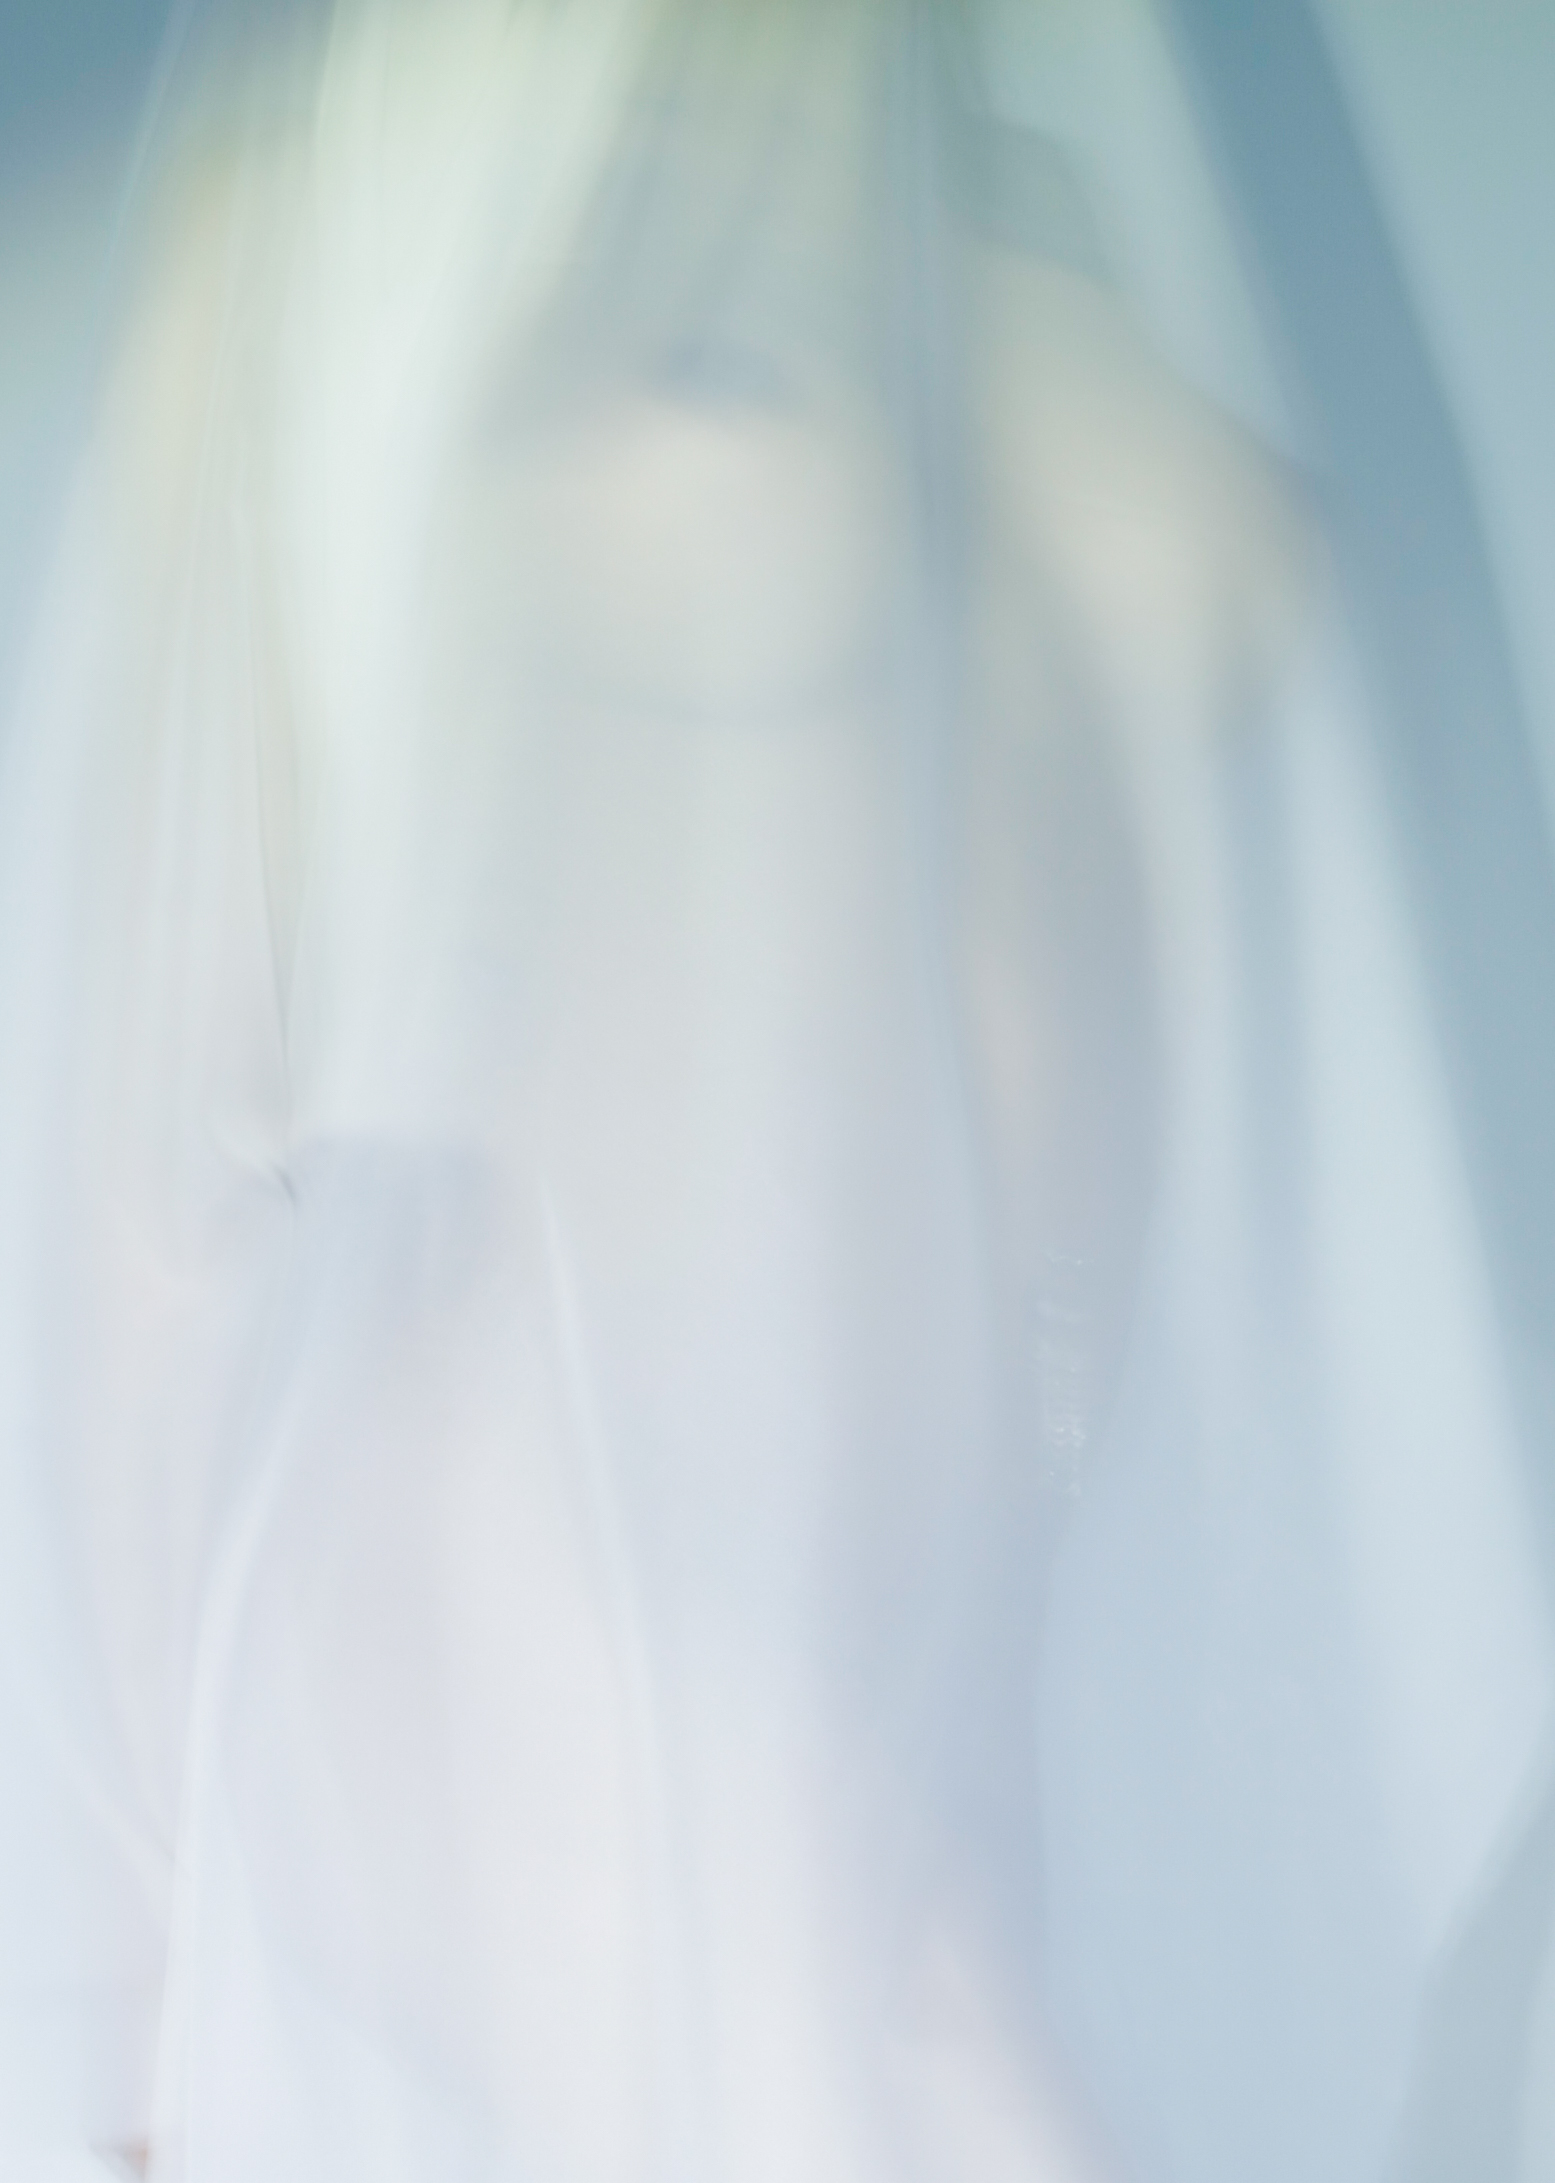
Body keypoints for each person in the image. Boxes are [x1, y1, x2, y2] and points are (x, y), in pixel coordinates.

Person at [2, 2, 1469, 2177]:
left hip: (905, 1474)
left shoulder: (934, 242)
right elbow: (173, 1113)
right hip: (548, 1425)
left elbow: (1226, 577)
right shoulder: (323, 244)